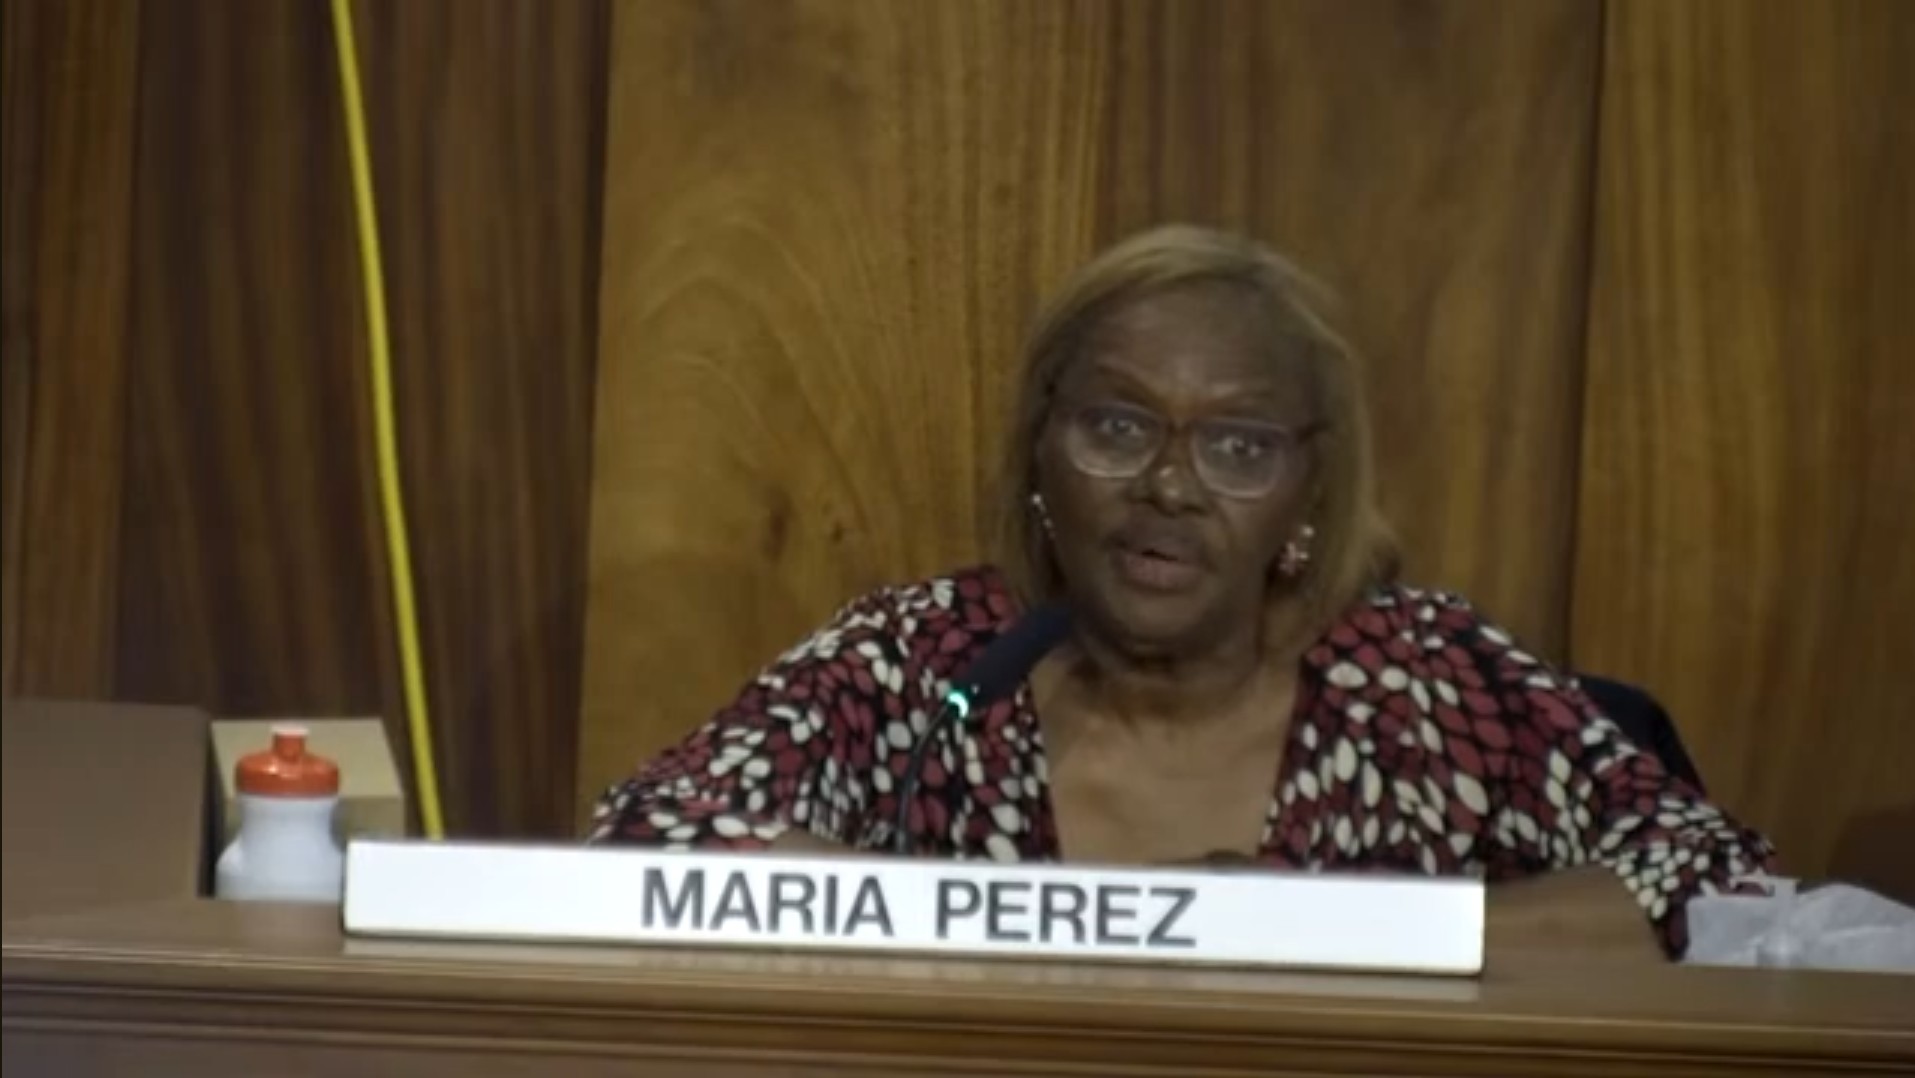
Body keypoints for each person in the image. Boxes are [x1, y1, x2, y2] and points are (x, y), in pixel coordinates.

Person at [589, 224, 1776, 958]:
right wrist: (986, 924)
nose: (1167, 484)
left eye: (1239, 446)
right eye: (1116, 425)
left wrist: (1344, 935)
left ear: (1309, 493)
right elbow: (651, 835)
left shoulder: (1424, 683)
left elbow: (1721, 888)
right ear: (1041, 448)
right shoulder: (928, 662)